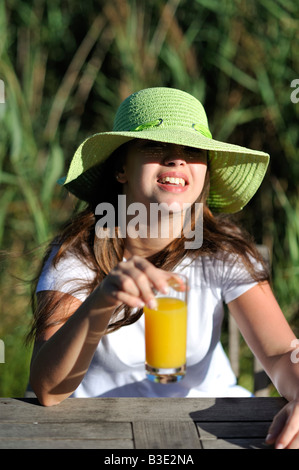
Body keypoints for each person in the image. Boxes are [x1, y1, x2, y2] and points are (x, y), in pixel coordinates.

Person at [27, 87, 299, 448]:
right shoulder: (78, 255)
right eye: (155, 147)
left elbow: (281, 352)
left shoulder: (222, 249)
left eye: (192, 151)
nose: (176, 160)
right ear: (121, 168)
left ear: (204, 173)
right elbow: (47, 390)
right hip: (105, 433)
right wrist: (103, 299)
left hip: (212, 428)